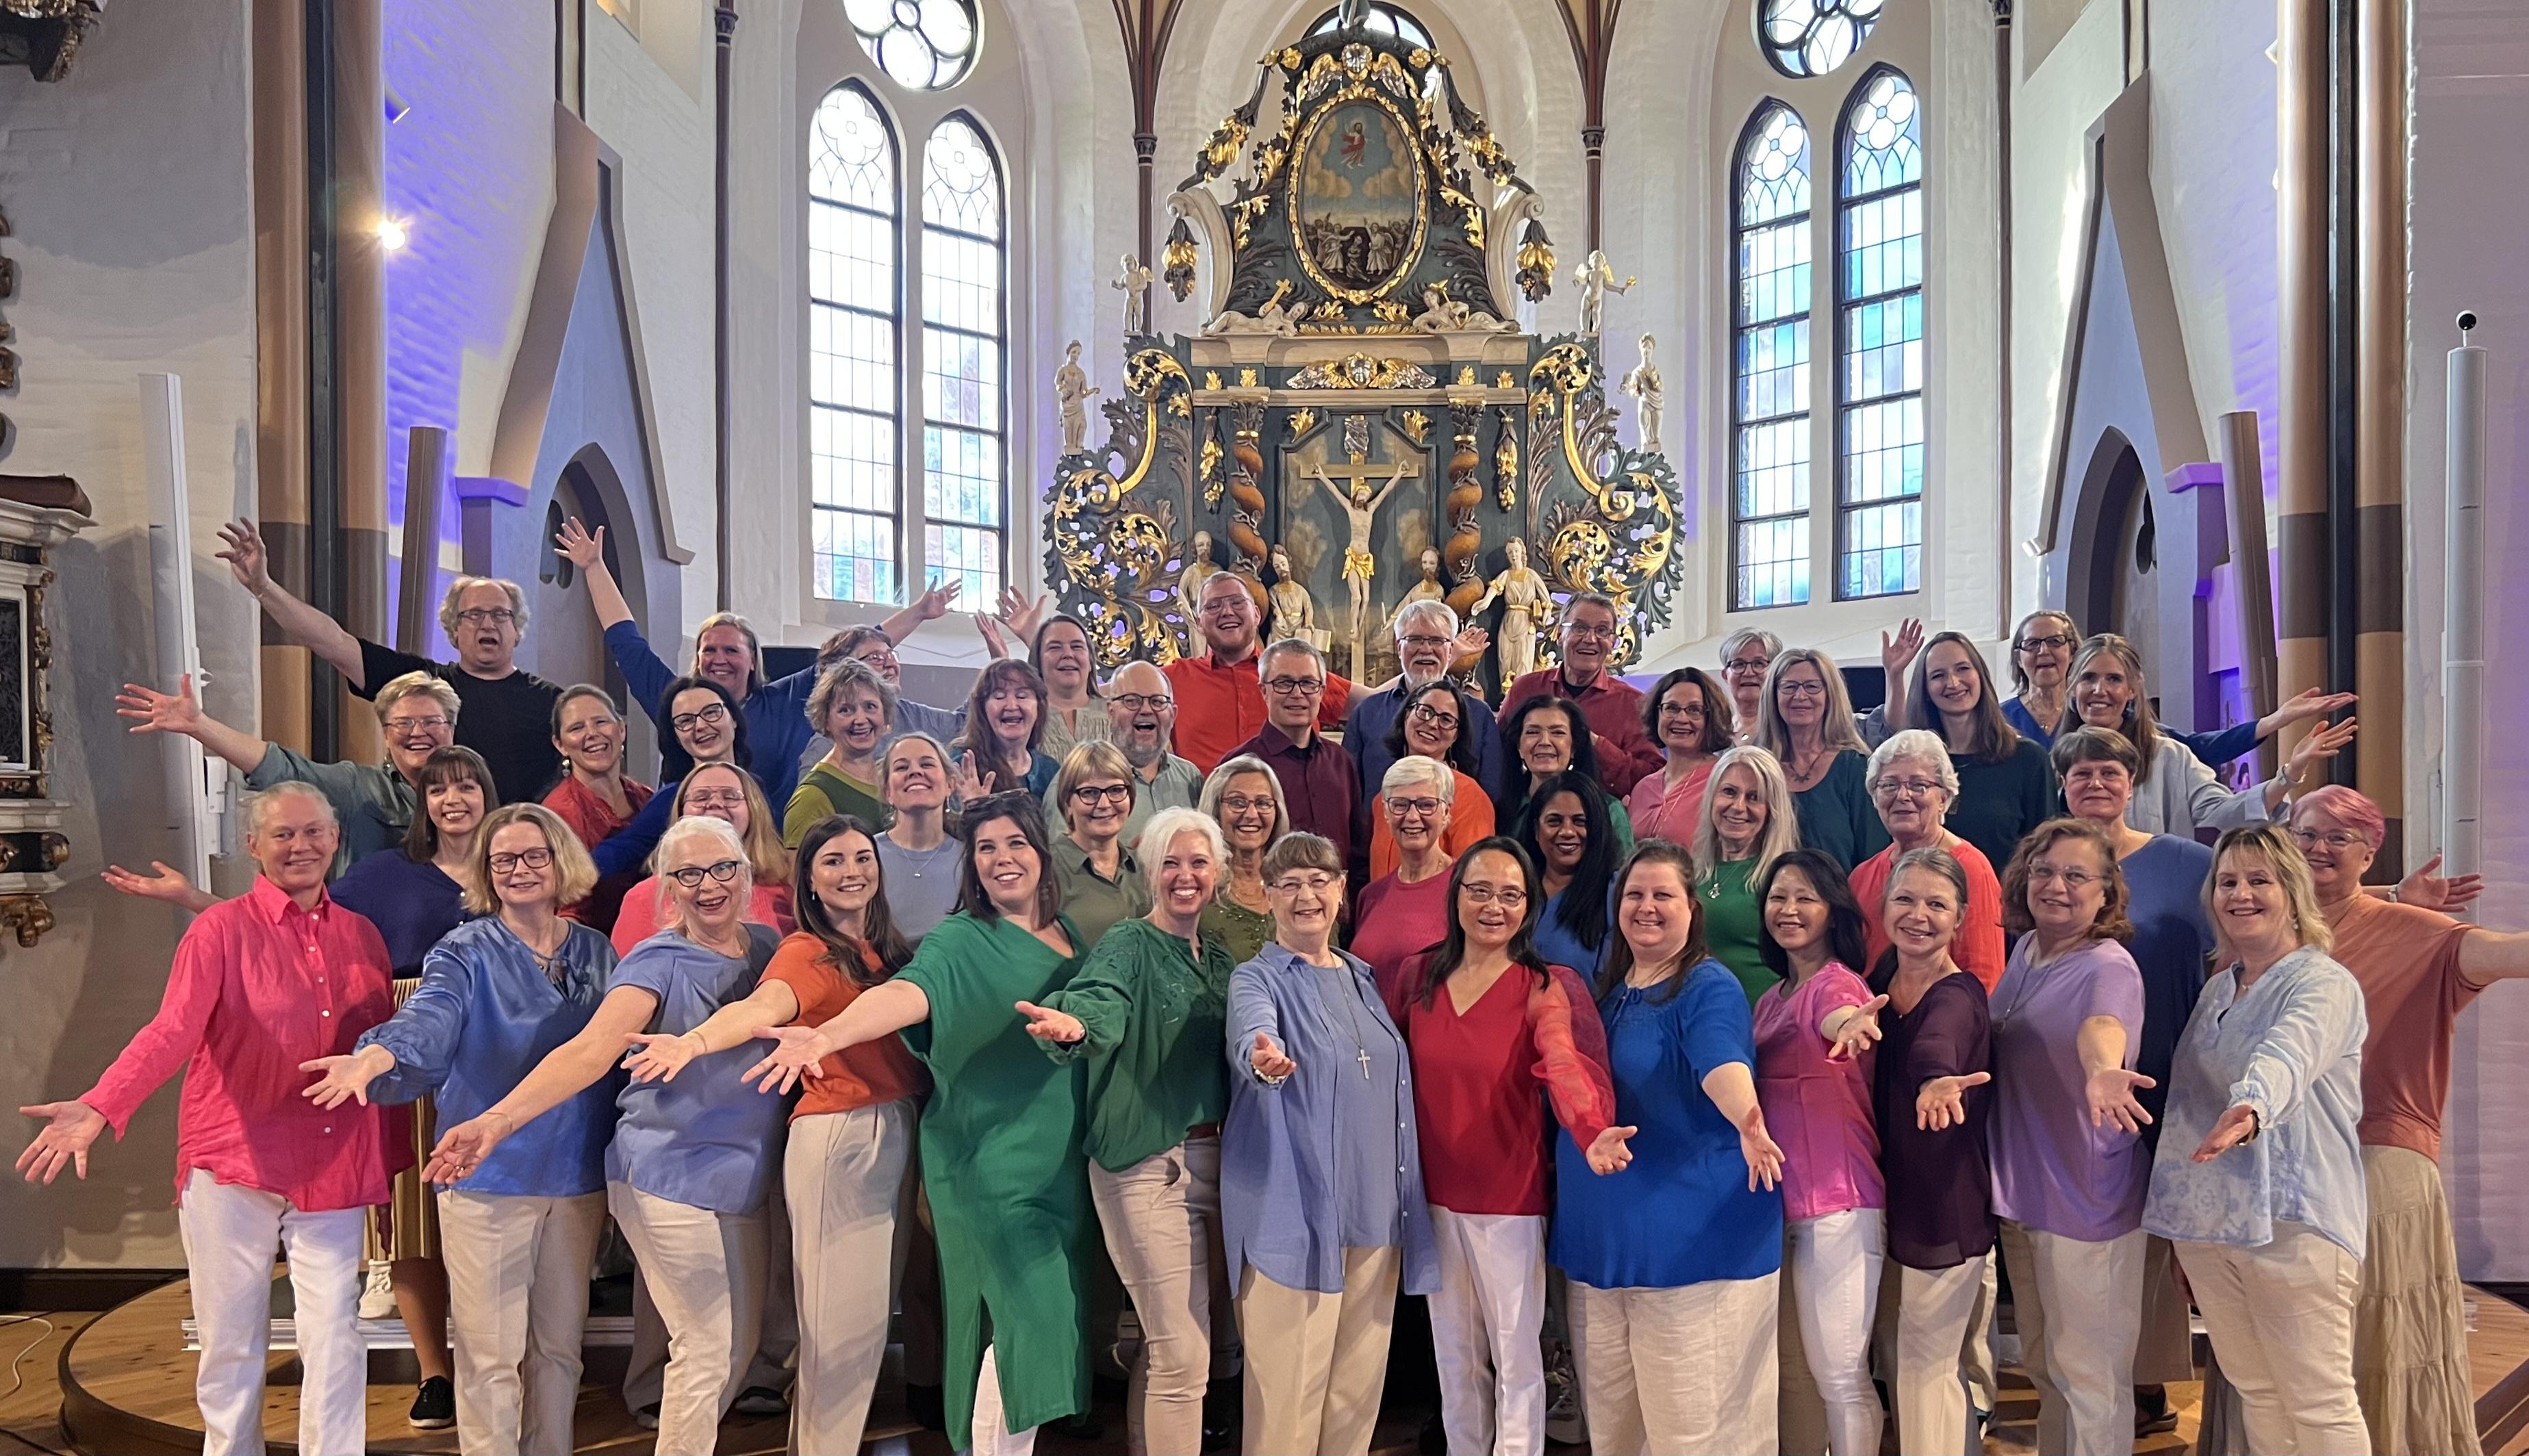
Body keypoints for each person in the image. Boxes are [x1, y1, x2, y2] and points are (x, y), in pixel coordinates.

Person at [16, 783, 403, 1456]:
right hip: (234, 1159)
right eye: (283, 834)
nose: (301, 846)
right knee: (231, 1343)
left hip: (334, 1163)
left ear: (335, 838)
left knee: (336, 1337)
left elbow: (378, 1054)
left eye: (313, 832)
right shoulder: (219, 930)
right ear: (253, 846)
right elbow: (171, 1031)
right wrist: (101, 1103)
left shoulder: (362, 935)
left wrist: (387, 1164)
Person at [745, 793, 1091, 1455]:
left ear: (1042, 853)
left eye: (1015, 843)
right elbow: (908, 993)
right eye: (985, 848)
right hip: (986, 1161)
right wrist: (827, 1036)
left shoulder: (1069, 934)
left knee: (1042, 1325)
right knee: (1021, 1319)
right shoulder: (961, 937)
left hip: (1056, 1161)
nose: (1002, 858)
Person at [299, 803, 620, 1456]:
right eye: (504, 860)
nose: (520, 870)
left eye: (534, 855)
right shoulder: (464, 949)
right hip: (486, 1176)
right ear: (486, 872)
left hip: (577, 1174)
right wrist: (375, 1056)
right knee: (489, 1357)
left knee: (559, 1349)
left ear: (560, 861)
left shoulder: (597, 950)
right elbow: (429, 1018)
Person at [610, 815, 927, 1456]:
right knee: (837, 1334)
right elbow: (760, 1008)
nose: (851, 871)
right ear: (807, 879)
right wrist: (693, 1042)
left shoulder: (884, 949)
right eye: (832, 860)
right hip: (842, 1131)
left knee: (862, 1332)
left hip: (893, 1125)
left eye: (861, 857)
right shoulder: (803, 950)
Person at [2293, 787, 2529, 1455]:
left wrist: (2398, 902)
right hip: (2275, 1167)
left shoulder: (2419, 934)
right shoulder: (2261, 928)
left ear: (2370, 852)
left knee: (2373, 1341)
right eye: (2306, 834)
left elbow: (2509, 952)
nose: (2318, 848)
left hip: (2376, 1157)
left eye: (2338, 838)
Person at [1013, 808, 1240, 1456]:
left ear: (1218, 873)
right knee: (1182, 1352)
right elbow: (1101, 1002)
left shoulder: (1220, 960)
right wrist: (1076, 1026)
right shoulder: (1128, 942)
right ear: (1150, 873)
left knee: (1173, 1347)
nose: (1185, 875)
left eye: (1198, 862)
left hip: (1215, 1164)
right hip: (1146, 1165)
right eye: (1171, 862)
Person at [1552, 840, 1788, 1455]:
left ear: (1692, 908)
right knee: (1616, 1434)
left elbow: (1721, 1059)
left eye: (1663, 894)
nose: (1647, 906)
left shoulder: (1707, 986)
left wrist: (1748, 1118)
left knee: (1694, 1433)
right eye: (1635, 894)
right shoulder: (1611, 993)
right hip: (1604, 1245)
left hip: (1690, 1251)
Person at [2142, 823, 2369, 1456]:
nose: (2241, 894)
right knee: (2258, 1392)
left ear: (2292, 892)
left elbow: (2288, 1052)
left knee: (2319, 1401)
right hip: (2212, 1226)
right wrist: (2185, 1231)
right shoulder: (2221, 985)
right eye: (2228, 882)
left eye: (2259, 880)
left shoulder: (2322, 983)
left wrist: (2251, 1106)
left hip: (2293, 1222)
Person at [1393, 838, 1617, 1456]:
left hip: (1508, 1200)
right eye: (1481, 890)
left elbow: (1563, 1062)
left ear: (1528, 907)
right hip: (1433, 1195)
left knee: (1516, 1359)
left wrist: (1590, 1128)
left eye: (1511, 895)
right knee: (1454, 1355)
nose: (1494, 906)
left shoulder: (1541, 985)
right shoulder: (1419, 976)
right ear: (1456, 895)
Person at [1223, 832, 1438, 1456]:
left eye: (1319, 881)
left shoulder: (1363, 977)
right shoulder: (1255, 978)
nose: (1306, 895)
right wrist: (1262, 1059)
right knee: (1287, 1400)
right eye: (1289, 884)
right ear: (1268, 896)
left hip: (1376, 1214)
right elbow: (1252, 1035)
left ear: (1342, 891)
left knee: (1355, 1395)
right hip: (1293, 1216)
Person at [327, 743, 499, 1428]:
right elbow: (310, 923)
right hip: (406, 1039)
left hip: (497, 1041)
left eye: (467, 786)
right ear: (422, 803)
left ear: (488, 794)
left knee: (494, 1204)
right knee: (414, 1211)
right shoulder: (382, 874)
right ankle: (435, 1373)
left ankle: (497, 1368)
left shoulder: (513, 863)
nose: (453, 800)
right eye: (438, 790)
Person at [2050, 726, 2214, 1426]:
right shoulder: (2050, 863)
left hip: (2168, 1063)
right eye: (2081, 773)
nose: (2095, 783)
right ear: (2062, 784)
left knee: (2162, 1226)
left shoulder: (2185, 862)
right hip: (2080, 1074)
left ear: (2132, 782)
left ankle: (2149, 1380)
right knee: (2107, 1233)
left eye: (2108, 772)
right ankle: (2109, 1382)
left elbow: (2235, 945)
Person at [557, 518, 954, 806]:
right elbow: (629, 647)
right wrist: (594, 567)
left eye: (732, 650)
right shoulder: (676, 701)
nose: (719, 659)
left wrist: (918, 613)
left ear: (752, 660)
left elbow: (856, 652)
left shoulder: (787, 699)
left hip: (772, 852)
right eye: (709, 650)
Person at [1989, 819, 2153, 1456]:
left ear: (2106, 892)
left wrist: (2104, 1069)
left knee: (2091, 1379)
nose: (2056, 885)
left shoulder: (2109, 965)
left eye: (2076, 875)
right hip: (2024, 1194)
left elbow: (2101, 1027)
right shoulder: (2027, 949)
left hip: (2087, 1202)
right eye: (2045, 870)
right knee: (2046, 1366)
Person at [216, 519, 563, 804]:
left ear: (517, 631)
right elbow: (332, 642)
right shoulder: (423, 685)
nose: (487, 624)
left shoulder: (552, 702)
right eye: (473, 615)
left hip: (520, 849)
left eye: (500, 615)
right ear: (454, 631)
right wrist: (264, 587)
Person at [1751, 849, 1886, 1456]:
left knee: (1841, 1376)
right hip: (1781, 1209)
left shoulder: (1837, 984)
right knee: (1797, 1374)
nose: (1790, 908)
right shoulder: (1771, 997)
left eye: (1805, 896)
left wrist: (1851, 1025)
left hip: (1839, 1205)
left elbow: (1840, 1018)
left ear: (1833, 910)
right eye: (1779, 896)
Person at [1869, 847, 1996, 1456]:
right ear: (1883, 905)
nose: (1918, 915)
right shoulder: (1877, 984)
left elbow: (1937, 1045)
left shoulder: (1958, 995)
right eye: (1905, 899)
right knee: (1907, 1363)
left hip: (1945, 1206)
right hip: (1892, 1198)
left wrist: (1936, 1080)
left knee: (1927, 1368)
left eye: (1936, 904)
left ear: (1961, 917)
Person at [116, 667, 455, 873]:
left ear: (452, 729)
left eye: (431, 722)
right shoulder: (356, 787)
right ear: (385, 734)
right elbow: (279, 767)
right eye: (403, 723)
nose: (417, 732)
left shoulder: (476, 793)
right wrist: (200, 726)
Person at [2068, 633, 2352, 835]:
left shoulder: (2168, 755)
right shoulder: (2051, 758)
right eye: (2088, 678)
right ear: (2072, 687)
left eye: (2114, 679)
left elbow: (2225, 811)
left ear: (2132, 690)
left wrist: (2290, 773)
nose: (2099, 690)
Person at [2005, 609, 2342, 769]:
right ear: (2019, 657)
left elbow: (2203, 747)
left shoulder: (2132, 728)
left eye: (2055, 641)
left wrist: (2276, 720)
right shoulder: (2002, 720)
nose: (2044, 651)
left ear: (2073, 652)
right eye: (2032, 644)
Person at [1845, 730, 2009, 989]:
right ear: (1875, 798)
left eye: (1918, 785)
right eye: (1889, 785)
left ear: (1943, 799)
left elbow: (1985, 978)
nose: (1903, 796)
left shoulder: (1971, 869)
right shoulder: (1862, 876)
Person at [1893, 633, 2058, 871]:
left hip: (2004, 894)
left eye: (1962, 669)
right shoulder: (1913, 765)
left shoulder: (2028, 759)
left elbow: (2046, 852)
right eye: (1938, 675)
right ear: (1925, 690)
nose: (1953, 683)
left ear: (1980, 675)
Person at [1166, 570, 1353, 774]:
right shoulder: (1172, 679)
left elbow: (1374, 703)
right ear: (1199, 623)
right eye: (1213, 606)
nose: (1227, 611)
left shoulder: (1296, 673)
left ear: (1257, 615)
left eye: (1237, 602)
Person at [606, 763, 795, 954]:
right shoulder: (643, 897)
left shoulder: (785, 889)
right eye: (701, 797)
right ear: (681, 811)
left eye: (730, 796)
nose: (714, 803)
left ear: (754, 809)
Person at [589, 674, 759, 882]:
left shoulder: (757, 787)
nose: (701, 726)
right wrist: (564, 872)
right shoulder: (671, 798)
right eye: (686, 721)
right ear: (677, 737)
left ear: (734, 719)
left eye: (711, 712)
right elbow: (622, 849)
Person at [1230, 638, 1367, 884]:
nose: (1297, 694)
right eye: (1284, 683)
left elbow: (1358, 852)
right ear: (1263, 690)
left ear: (1322, 691)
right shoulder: (1239, 767)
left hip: (1338, 903)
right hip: (1267, 903)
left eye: (1308, 683)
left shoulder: (1341, 762)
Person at [1497, 593, 1662, 796]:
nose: (1590, 639)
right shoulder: (1526, 689)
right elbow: (1497, 754)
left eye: (1602, 631)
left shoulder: (1634, 704)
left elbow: (1653, 779)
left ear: (1613, 642)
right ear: (1559, 634)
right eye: (1580, 628)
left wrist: (1596, 745)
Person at [1344, 598, 1503, 795]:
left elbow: (1491, 792)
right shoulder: (1367, 712)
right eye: (1415, 639)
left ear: (1451, 650)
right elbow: (1348, 789)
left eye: (1437, 641)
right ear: (1399, 647)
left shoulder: (1478, 714)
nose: (1426, 649)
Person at [1692, 744, 1805, 1003]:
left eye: (1754, 797)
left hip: (1761, 1017)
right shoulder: (1691, 872)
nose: (1738, 806)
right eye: (1729, 792)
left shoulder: (1784, 879)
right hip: (1698, 1012)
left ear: (1772, 809)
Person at [1757, 648, 1888, 871]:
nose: (1800, 696)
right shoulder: (1760, 768)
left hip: (1841, 893)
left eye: (1812, 686)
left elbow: (1874, 859)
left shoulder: (1855, 767)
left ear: (1830, 696)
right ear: (1773, 696)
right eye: (1789, 687)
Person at [542, 685, 655, 933]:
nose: (592, 734)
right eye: (577, 728)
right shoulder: (558, 815)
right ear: (560, 745)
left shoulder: (646, 797)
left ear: (621, 730)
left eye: (601, 722)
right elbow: (566, 909)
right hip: (595, 943)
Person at [1354, 756, 1464, 1006]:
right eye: (1400, 805)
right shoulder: (1371, 895)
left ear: (1446, 812)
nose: (1412, 817)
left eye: (1426, 805)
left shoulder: (1465, 887)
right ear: (1386, 813)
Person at [1367, 679, 1497, 879]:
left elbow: (1473, 879)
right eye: (1425, 711)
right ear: (1406, 715)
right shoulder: (1383, 797)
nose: (1433, 724)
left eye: (1446, 720)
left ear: (1456, 736)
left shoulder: (1469, 797)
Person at [1516, 769, 1622, 979]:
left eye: (1580, 822)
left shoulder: (1615, 893)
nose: (1567, 832)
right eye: (1554, 821)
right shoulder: (1516, 885)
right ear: (1536, 830)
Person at [1048, 741, 1155, 949]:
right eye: (1089, 793)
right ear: (1067, 803)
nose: (1104, 804)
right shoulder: (1044, 871)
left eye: (1116, 790)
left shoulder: (1146, 867)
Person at [1090, 661, 1206, 846]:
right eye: (1131, 701)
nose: (1146, 710)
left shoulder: (1190, 778)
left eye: (1157, 701)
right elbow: (1064, 856)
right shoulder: (1082, 778)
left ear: (1173, 715)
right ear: (1111, 712)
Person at [1496, 695, 1636, 847]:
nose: (1545, 741)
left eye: (1557, 733)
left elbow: (1623, 862)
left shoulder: (1609, 810)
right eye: (1533, 732)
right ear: (1519, 746)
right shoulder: (1503, 810)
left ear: (1574, 747)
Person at [786, 657, 895, 843]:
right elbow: (800, 862)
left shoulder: (894, 779)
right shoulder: (813, 796)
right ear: (825, 720)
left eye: (870, 707)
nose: (860, 719)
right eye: (846, 710)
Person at [1629, 666, 1734, 846]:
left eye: (1694, 710)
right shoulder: (1643, 788)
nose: (1681, 719)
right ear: (1656, 714)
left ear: (1711, 717)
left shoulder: (1724, 781)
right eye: (1671, 708)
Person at [818, 622, 969, 748]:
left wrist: (987, 673)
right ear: (845, 671)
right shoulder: (828, 743)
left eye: (891, 655)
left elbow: (963, 724)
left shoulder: (909, 714)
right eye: (876, 658)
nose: (891, 664)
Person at [1199, 756, 1286, 967]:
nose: (1251, 814)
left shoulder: (1294, 883)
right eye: (1237, 803)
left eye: (1263, 803)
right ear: (1216, 810)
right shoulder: (1198, 886)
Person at [876, 732, 965, 940]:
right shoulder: (865, 855)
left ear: (950, 785)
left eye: (927, 764)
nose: (915, 772)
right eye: (901, 767)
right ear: (888, 792)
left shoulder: (971, 859)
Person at [952, 657, 1062, 801]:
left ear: (1039, 707)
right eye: (999, 697)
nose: (1011, 706)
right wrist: (974, 807)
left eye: (1022, 696)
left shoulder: (1050, 770)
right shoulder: (962, 763)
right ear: (982, 709)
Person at [1028, 612, 1113, 761]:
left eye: (1077, 646)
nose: (1068, 654)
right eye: (1055, 648)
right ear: (1039, 661)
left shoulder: (1116, 714)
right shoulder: (1026, 717)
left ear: (1090, 662)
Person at [1720, 627, 1781, 741]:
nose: (1749, 673)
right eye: (1739, 664)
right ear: (1725, 676)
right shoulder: (1717, 732)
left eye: (1759, 664)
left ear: (1775, 672)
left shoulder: (1786, 729)